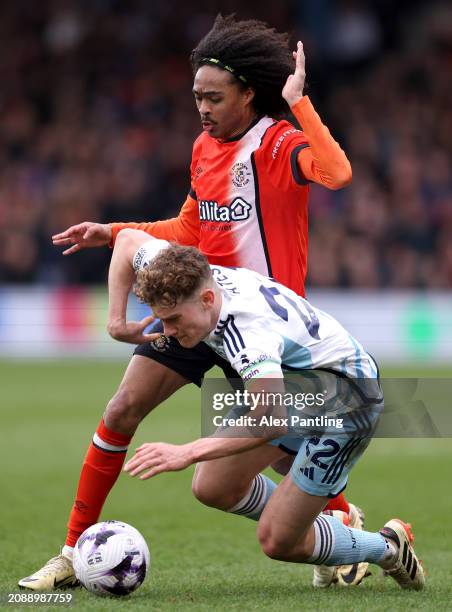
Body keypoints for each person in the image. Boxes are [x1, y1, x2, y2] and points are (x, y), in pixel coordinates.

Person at [19, 15, 359, 590]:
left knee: (280, 449)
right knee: (122, 407)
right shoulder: (204, 148)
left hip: (259, 327)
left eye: (214, 97)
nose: (202, 108)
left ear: (250, 93)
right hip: (196, 310)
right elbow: (190, 227)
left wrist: (299, 105)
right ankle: (74, 552)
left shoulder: (276, 143)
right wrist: (114, 230)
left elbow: (337, 172)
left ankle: (341, 527)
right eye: (196, 96)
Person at [121, 234, 425, 591]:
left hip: (348, 400)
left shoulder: (249, 334)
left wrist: (187, 451)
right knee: (212, 486)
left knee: (278, 541)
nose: (167, 332)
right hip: (298, 386)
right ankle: (331, 528)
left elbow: (271, 421)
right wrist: (115, 319)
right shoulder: (190, 276)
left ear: (206, 299)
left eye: (172, 320)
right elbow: (127, 242)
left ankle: (388, 546)